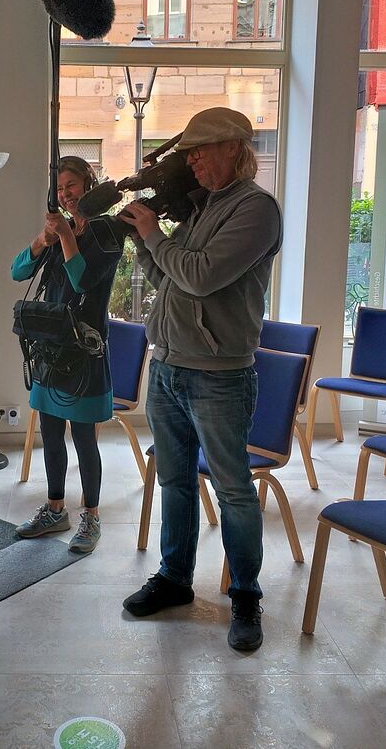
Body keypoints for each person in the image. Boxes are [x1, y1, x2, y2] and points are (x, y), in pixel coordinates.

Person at [120, 107, 283, 652]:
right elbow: (167, 278)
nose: (191, 162)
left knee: (233, 490)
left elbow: (200, 276)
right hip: (168, 367)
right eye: (188, 153)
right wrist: (144, 240)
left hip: (219, 377)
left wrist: (154, 233)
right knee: (175, 481)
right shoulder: (201, 208)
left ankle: (245, 597)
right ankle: (174, 579)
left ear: (233, 147)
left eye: (200, 151)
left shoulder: (256, 210)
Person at [11, 156, 124, 553]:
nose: (65, 194)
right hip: (50, 347)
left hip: (85, 351)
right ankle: (55, 509)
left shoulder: (107, 230)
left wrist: (66, 237)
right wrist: (43, 240)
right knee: (51, 433)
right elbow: (17, 272)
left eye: (71, 185)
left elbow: (83, 281)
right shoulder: (59, 231)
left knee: (84, 438)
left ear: (89, 184)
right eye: (59, 189)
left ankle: (91, 516)